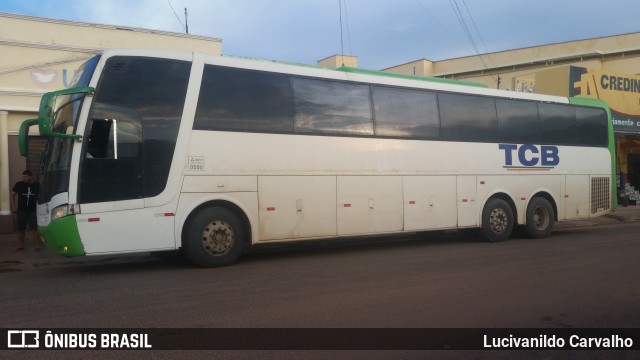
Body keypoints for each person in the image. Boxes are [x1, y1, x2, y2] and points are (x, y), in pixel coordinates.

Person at [10, 170, 41, 251]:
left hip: (33, 210)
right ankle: (21, 245)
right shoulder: (19, 184)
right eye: (23, 177)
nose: (23, 178)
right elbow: (12, 195)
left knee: (35, 228)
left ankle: (37, 245)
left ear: (31, 177)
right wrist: (13, 206)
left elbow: (42, 195)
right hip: (21, 210)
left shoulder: (37, 185)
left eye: (25, 177)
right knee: (21, 228)